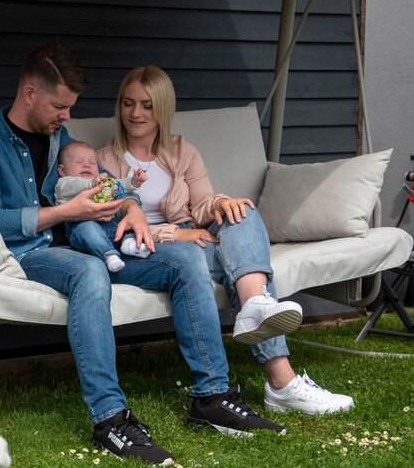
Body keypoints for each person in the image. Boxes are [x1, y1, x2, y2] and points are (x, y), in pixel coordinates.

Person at [0, 44, 286, 466]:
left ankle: (212, 396)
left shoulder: (64, 143)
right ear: (30, 94)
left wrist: (132, 209)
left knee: (184, 262)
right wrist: (65, 212)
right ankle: (110, 418)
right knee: (90, 271)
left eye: (70, 108)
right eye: (60, 106)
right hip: (29, 255)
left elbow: (115, 187)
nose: (67, 117)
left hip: (93, 242)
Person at [94, 65, 354, 416]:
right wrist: (177, 233)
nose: (135, 113)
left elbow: (202, 204)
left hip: (193, 237)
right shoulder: (103, 161)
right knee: (237, 261)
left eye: (146, 105)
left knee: (242, 212)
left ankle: (255, 306)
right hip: (148, 250)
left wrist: (220, 203)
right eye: (128, 104)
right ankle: (282, 382)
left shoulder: (182, 151)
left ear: (163, 109)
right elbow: (114, 228)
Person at [54, 140, 151, 272]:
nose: (87, 165)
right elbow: (74, 185)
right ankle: (109, 255)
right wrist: (91, 183)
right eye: (78, 162)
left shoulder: (100, 182)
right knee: (88, 228)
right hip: (80, 230)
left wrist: (133, 182)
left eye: (92, 163)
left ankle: (130, 243)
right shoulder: (63, 184)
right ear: (62, 170)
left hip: (110, 227)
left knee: (124, 217)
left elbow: (118, 184)